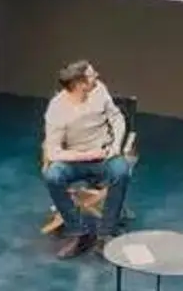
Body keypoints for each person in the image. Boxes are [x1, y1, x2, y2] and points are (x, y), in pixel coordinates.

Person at [42, 60, 131, 259]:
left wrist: (115, 147)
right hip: (74, 160)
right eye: (92, 75)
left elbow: (117, 118)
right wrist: (87, 155)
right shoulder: (57, 109)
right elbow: (53, 152)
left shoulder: (99, 91)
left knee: (121, 170)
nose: (97, 76)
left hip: (104, 157)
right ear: (79, 85)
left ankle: (106, 234)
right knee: (53, 176)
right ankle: (79, 233)